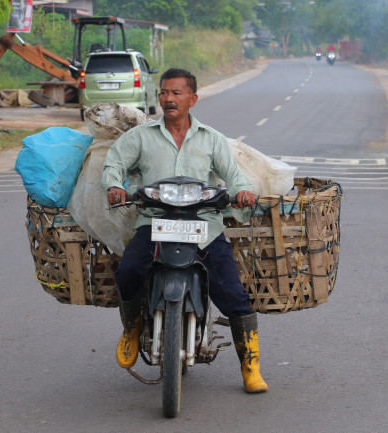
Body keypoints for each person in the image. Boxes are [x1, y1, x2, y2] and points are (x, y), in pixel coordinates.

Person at [101, 67, 268, 394]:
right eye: (164, 92)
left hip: (203, 226)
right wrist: (114, 185)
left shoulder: (211, 138)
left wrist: (243, 191)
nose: (168, 98)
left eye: (176, 93)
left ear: (192, 98)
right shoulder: (142, 136)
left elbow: (234, 175)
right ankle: (131, 327)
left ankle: (250, 365)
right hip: (155, 222)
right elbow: (114, 163)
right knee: (129, 270)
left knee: (234, 295)